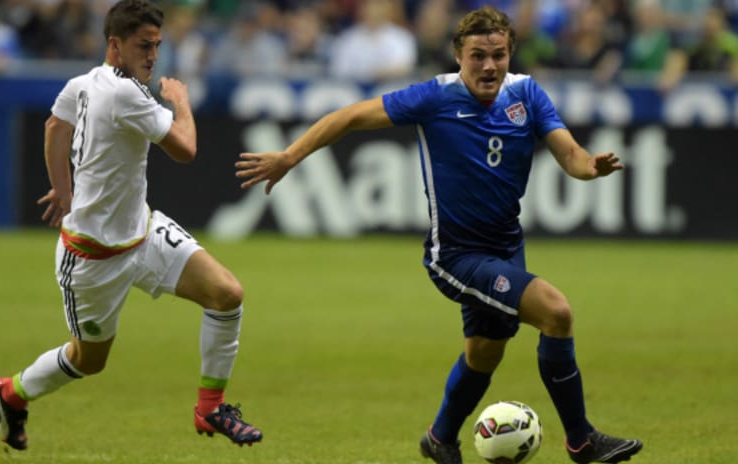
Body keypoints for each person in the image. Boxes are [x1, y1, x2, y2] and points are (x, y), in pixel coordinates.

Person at [235, 6, 641, 464]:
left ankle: (440, 437)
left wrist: (589, 167)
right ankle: (581, 440)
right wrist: (290, 156)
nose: (489, 65)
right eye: (478, 56)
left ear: (510, 53)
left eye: (499, 55)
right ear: (458, 56)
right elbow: (348, 116)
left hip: (507, 248)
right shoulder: (434, 98)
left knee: (485, 353)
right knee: (557, 313)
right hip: (456, 256)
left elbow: (568, 152)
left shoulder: (527, 93)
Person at [0, 0, 262, 451]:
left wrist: (61, 188)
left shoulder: (83, 83)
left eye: (157, 46)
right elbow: (185, 149)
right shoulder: (125, 94)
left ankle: (210, 407)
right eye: (143, 46)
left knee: (227, 294)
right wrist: (182, 103)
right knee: (88, 361)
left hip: (143, 234)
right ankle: (9, 393)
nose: (152, 56)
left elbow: (56, 124)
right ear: (115, 46)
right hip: (92, 260)